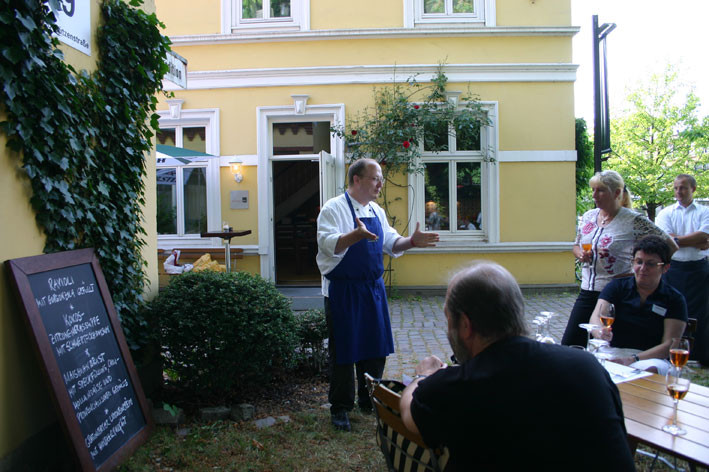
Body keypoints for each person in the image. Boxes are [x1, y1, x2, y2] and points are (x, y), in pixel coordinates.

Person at [399, 261, 635, 471]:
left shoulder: (456, 386)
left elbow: (409, 412)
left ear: (465, 325)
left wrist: (423, 375)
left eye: (448, 319)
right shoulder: (587, 366)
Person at [316, 158, 439, 431]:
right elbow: (328, 246)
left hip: (372, 289)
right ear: (356, 179)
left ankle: (367, 399)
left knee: (375, 348)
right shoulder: (333, 209)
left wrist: (412, 242)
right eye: (375, 178)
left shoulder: (376, 210)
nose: (380, 184)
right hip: (343, 291)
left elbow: (390, 241)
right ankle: (340, 408)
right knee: (344, 353)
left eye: (381, 178)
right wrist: (355, 236)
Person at [561, 170, 677, 347]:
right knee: (570, 344)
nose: (594, 195)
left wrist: (642, 271)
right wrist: (580, 254)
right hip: (587, 291)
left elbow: (670, 245)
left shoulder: (633, 220)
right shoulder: (589, 216)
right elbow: (576, 245)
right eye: (593, 190)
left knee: (609, 347)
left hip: (617, 294)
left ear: (616, 193)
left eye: (600, 190)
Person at [589, 235, 688, 374]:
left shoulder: (674, 299)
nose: (642, 268)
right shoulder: (616, 287)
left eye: (650, 264)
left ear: (665, 268)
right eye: (638, 262)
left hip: (650, 357)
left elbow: (669, 345)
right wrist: (599, 332)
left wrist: (633, 359)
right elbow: (595, 318)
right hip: (612, 351)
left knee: (648, 370)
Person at [655, 174, 709, 365]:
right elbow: (664, 239)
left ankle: (698, 354)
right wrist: (695, 241)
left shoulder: (704, 211)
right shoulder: (666, 213)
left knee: (700, 312)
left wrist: (676, 240)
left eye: (683, 188)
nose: (679, 191)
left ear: (693, 189)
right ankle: (670, 350)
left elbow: (705, 234)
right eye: (676, 188)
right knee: (671, 310)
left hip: (698, 269)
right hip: (673, 269)